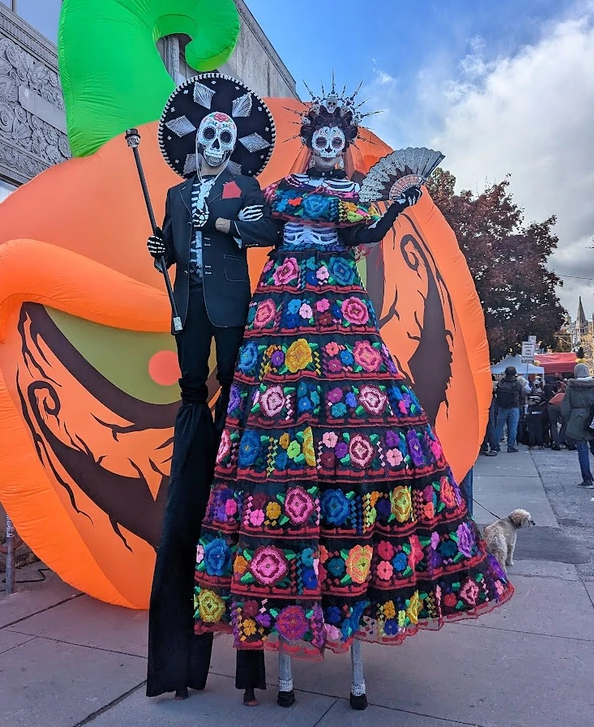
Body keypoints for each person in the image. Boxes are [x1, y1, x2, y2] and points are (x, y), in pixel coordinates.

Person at [192, 83, 514, 710]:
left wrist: (396, 207)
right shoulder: (285, 192)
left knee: (358, 423)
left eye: (339, 142)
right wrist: (225, 213)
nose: (331, 149)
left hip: (339, 310)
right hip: (285, 311)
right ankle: (287, 660)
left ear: (344, 150)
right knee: (280, 426)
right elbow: (263, 231)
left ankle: (348, 645)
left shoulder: (349, 197)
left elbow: (359, 236)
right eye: (322, 140)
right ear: (310, 145)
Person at [145, 73, 277, 699]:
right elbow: (171, 246)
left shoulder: (243, 188)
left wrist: (221, 221)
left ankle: (231, 432)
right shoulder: (173, 193)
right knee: (192, 387)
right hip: (188, 304)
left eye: (226, 135)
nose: (217, 143)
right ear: (196, 142)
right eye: (208, 135)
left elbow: (264, 231)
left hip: (230, 305)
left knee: (230, 380)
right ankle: (197, 426)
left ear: (234, 145)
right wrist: (161, 248)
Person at [561, 363, 594, 489]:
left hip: (577, 419)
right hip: (593, 418)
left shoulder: (571, 387)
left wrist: (568, 419)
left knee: (582, 450)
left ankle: (587, 479)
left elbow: (565, 406)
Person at [496, 367, 525, 453]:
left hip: (502, 407)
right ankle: (510, 446)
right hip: (514, 407)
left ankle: (496, 445)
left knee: (499, 427)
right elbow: (521, 396)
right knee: (512, 428)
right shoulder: (517, 384)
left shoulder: (500, 383)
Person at [480, 380, 500, 456]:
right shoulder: (489, 383)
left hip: (484, 404)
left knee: (487, 425)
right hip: (489, 403)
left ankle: (489, 447)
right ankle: (493, 447)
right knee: (489, 425)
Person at [547, 382, 568, 449]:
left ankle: (556, 443)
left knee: (553, 424)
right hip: (561, 406)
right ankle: (562, 439)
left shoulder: (558, 394)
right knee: (565, 423)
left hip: (551, 405)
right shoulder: (567, 395)